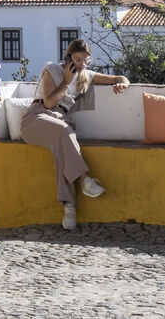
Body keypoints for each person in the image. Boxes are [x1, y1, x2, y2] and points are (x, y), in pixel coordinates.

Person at [20, 38, 129, 231]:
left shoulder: (85, 75)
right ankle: (84, 180)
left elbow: (118, 78)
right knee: (64, 131)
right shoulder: (52, 69)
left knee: (60, 149)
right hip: (36, 119)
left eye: (86, 60)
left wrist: (122, 83)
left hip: (60, 120)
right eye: (78, 60)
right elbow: (48, 103)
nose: (82, 65)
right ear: (68, 57)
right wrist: (66, 82)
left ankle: (69, 207)